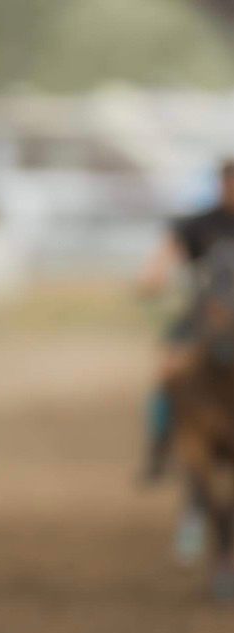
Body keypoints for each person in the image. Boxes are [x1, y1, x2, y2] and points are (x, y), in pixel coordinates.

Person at [138, 160, 234, 481]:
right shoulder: (200, 224)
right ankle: (159, 445)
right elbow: (168, 253)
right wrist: (155, 275)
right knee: (169, 372)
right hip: (204, 318)